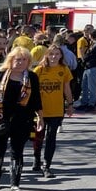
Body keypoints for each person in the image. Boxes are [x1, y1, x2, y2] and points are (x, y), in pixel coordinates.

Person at [0, 47, 44, 191]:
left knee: (18, 151)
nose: (20, 62)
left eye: (24, 60)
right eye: (18, 59)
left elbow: (36, 99)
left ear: (28, 62)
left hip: (22, 119)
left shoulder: (31, 77)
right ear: (11, 60)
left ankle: (15, 185)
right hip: (0, 117)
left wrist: (40, 118)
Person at [31, 44, 74, 178]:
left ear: (61, 55)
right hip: (40, 110)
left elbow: (66, 88)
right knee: (38, 137)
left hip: (56, 109)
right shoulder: (39, 70)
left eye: (57, 54)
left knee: (51, 137)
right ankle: (36, 158)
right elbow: (31, 90)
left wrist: (70, 104)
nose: (54, 57)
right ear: (46, 55)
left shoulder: (64, 69)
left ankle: (46, 165)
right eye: (51, 54)